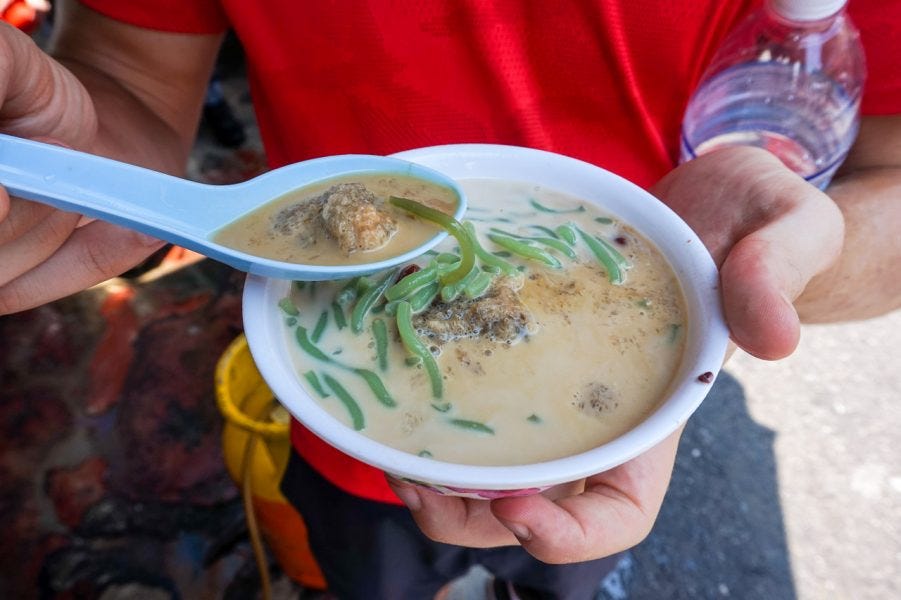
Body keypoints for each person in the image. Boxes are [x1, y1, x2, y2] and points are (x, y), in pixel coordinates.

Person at [1, 1, 899, 598]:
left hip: (611, 445)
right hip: (344, 440)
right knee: (361, 574)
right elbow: (126, 68)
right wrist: (68, 166)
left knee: (564, 566)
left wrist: (764, 266)